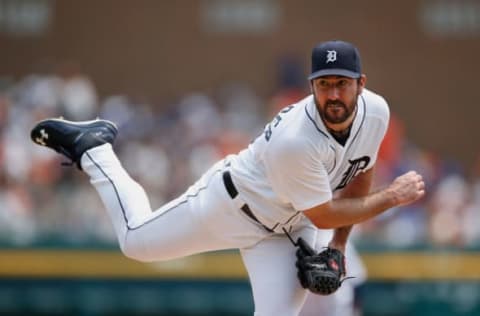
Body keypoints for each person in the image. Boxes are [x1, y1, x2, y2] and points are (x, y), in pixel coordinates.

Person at [30, 40, 425, 316]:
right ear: (311, 87)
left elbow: (360, 170)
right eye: (324, 84)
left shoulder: (376, 112)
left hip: (288, 228)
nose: (333, 94)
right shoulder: (296, 140)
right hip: (231, 206)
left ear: (361, 83)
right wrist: (391, 197)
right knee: (135, 241)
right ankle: (94, 150)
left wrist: (338, 249)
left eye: (342, 82)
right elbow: (325, 214)